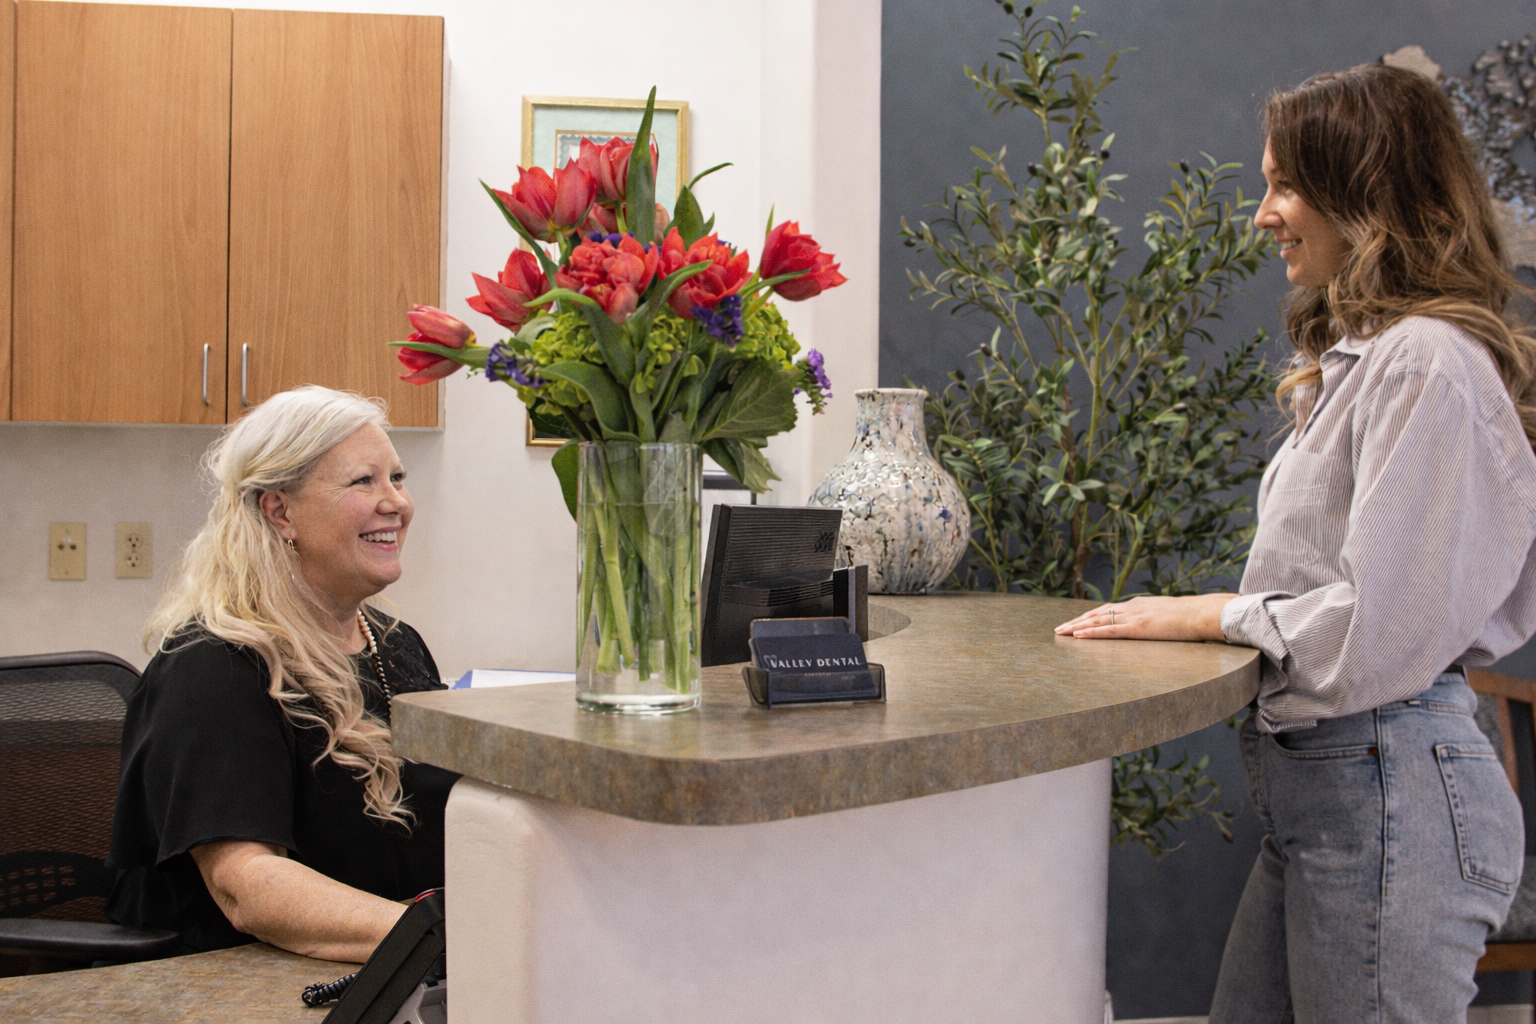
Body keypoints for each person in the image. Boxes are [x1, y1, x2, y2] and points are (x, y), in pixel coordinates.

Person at [1056, 64, 1531, 1022]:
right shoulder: (1364, 362)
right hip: (1335, 795)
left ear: (1368, 191)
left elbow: (1376, 630)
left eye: (1283, 185)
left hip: (1388, 792)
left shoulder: (1425, 363)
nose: (1263, 215)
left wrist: (1208, 616)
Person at [107, 386, 458, 964]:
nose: (396, 502)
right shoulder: (213, 665)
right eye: (363, 481)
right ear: (280, 510)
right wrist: (442, 939)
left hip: (391, 973)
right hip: (237, 985)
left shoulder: (396, 645)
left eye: (397, 478)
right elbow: (248, 886)